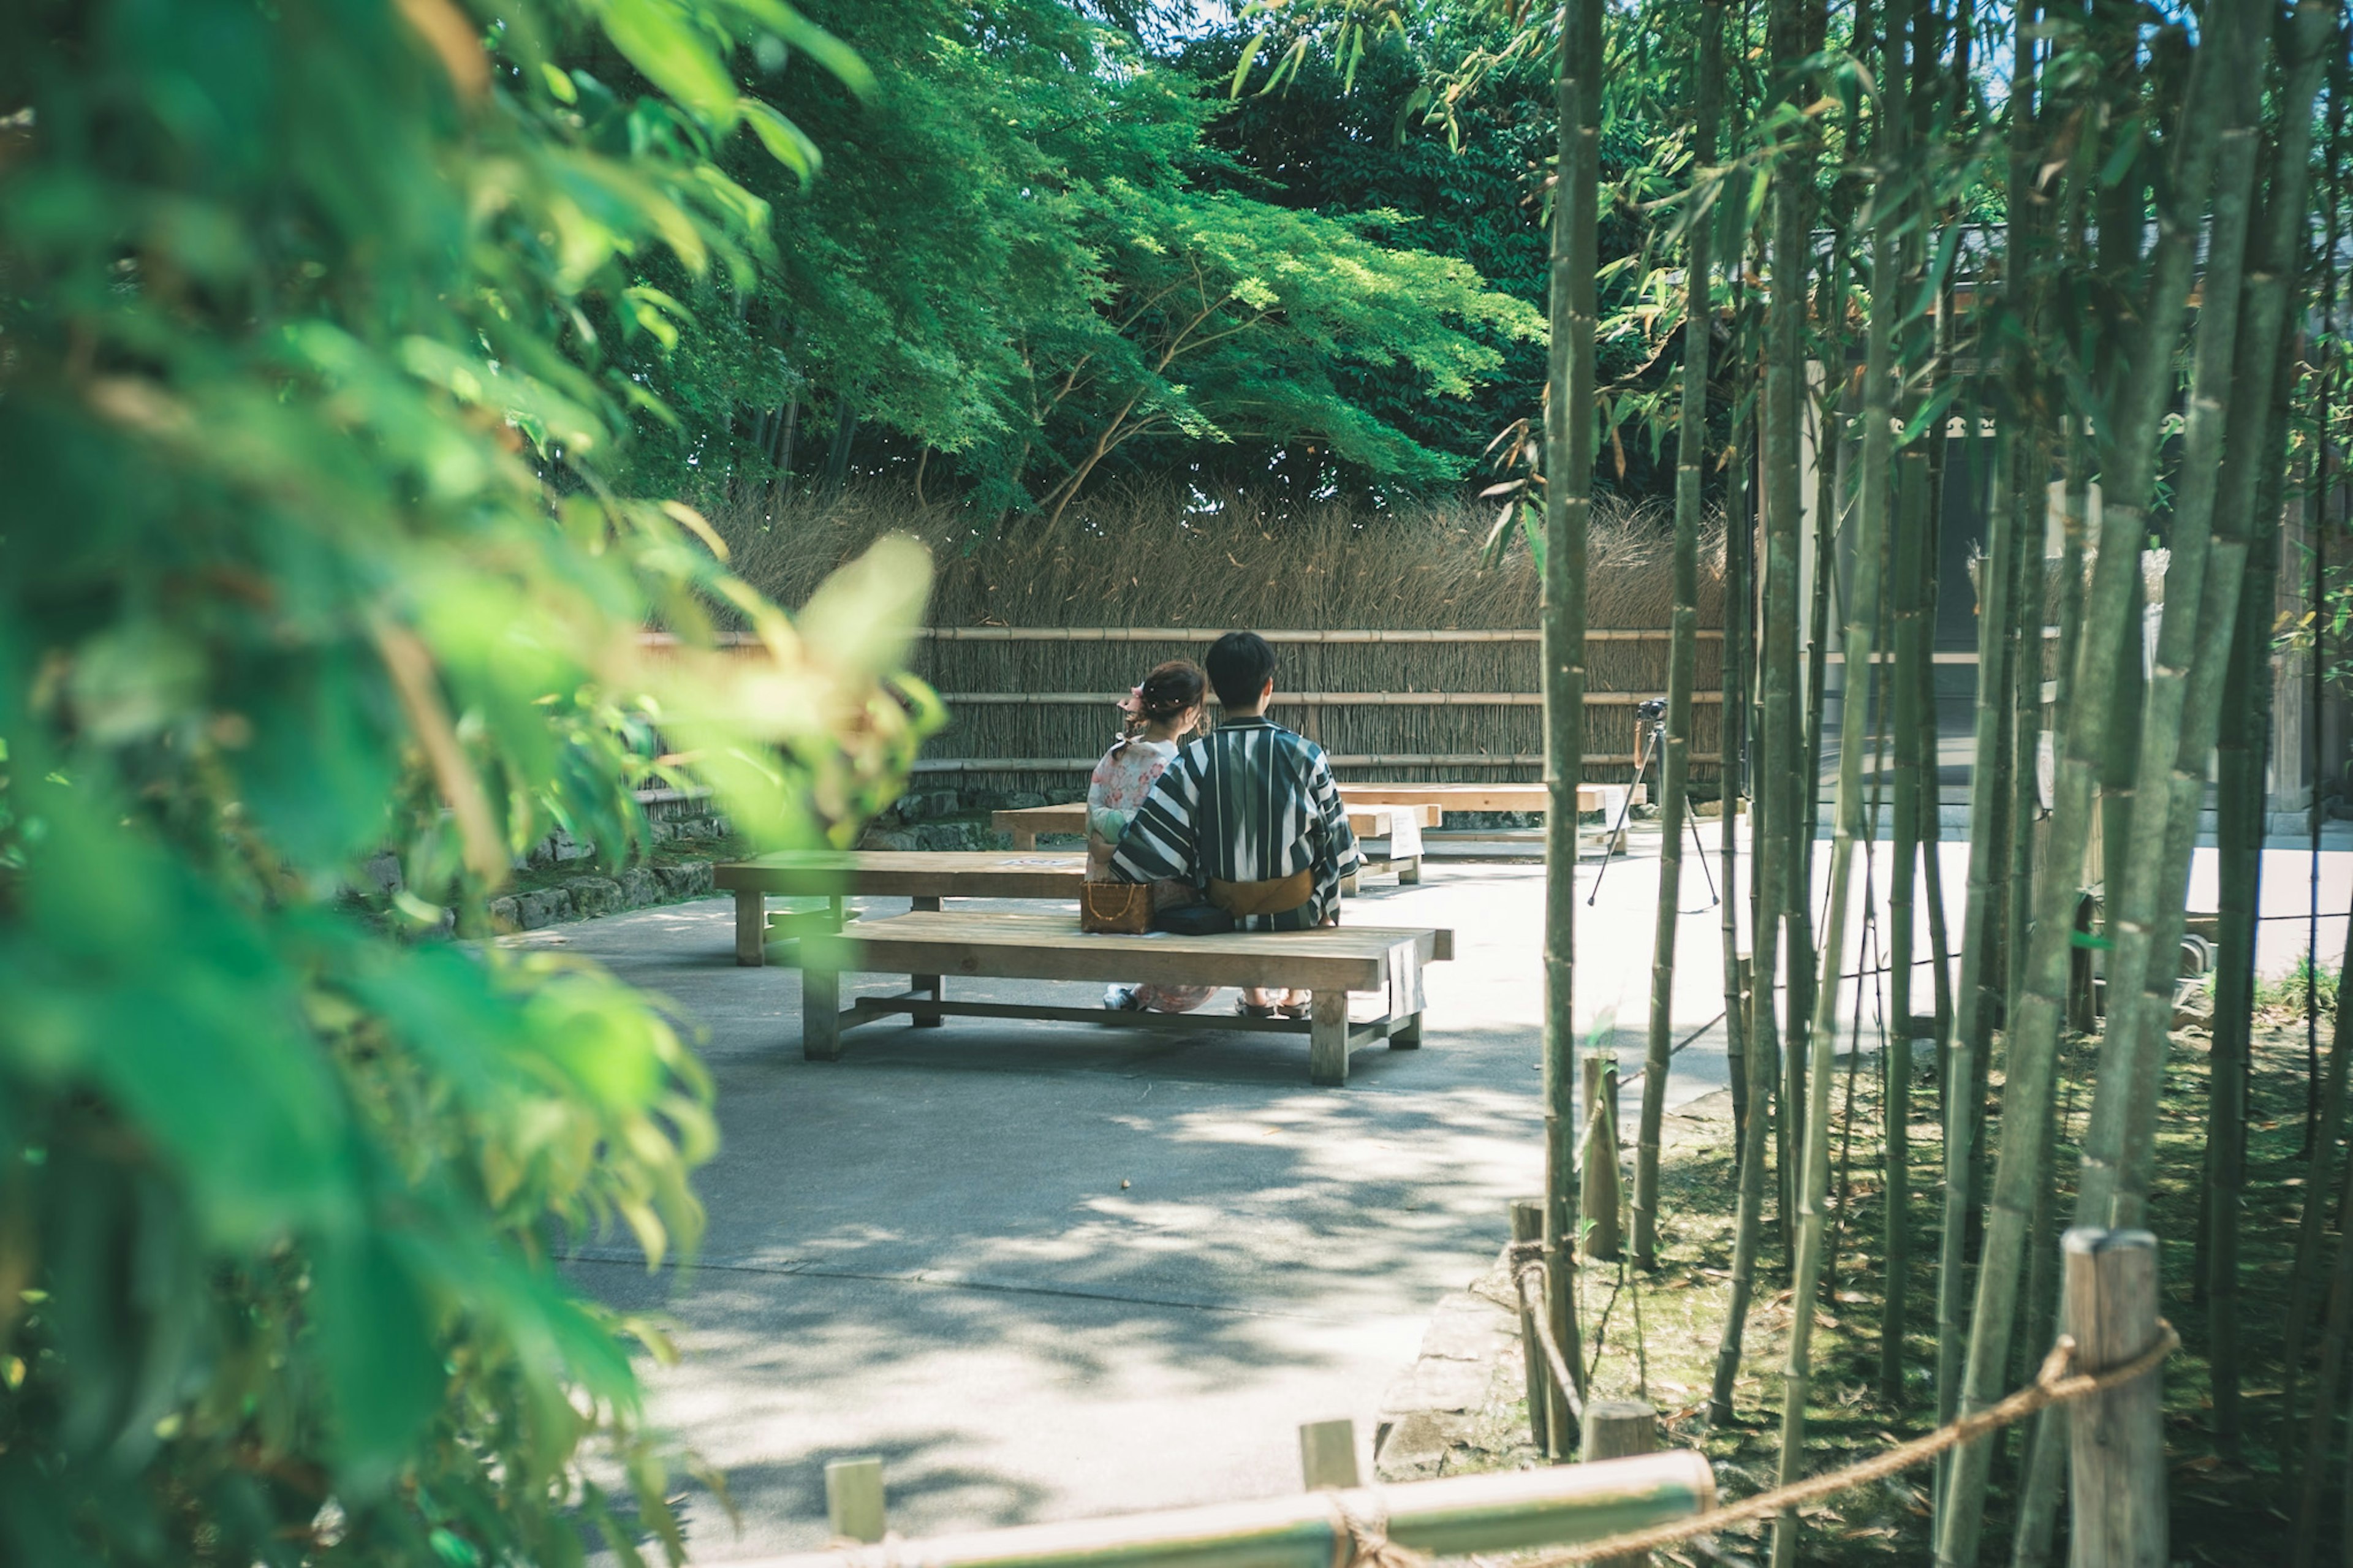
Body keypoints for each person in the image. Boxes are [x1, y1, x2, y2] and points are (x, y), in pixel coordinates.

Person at [1110, 631, 1360, 1018]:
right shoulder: (1305, 754)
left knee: (1210, 873)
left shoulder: (1194, 758)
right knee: (1319, 856)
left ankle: (1256, 998)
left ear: (1216, 693)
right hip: (1298, 911)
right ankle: (1295, 995)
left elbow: (1152, 848)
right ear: (1268, 687)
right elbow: (1342, 849)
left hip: (1224, 912)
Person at [1088, 661, 1216, 1015]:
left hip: (1108, 891)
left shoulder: (1115, 755)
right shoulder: (1179, 766)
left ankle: (1129, 993)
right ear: (1190, 713)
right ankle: (1137, 995)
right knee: (1206, 969)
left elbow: (1094, 814)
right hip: (1158, 894)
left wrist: (1108, 849)